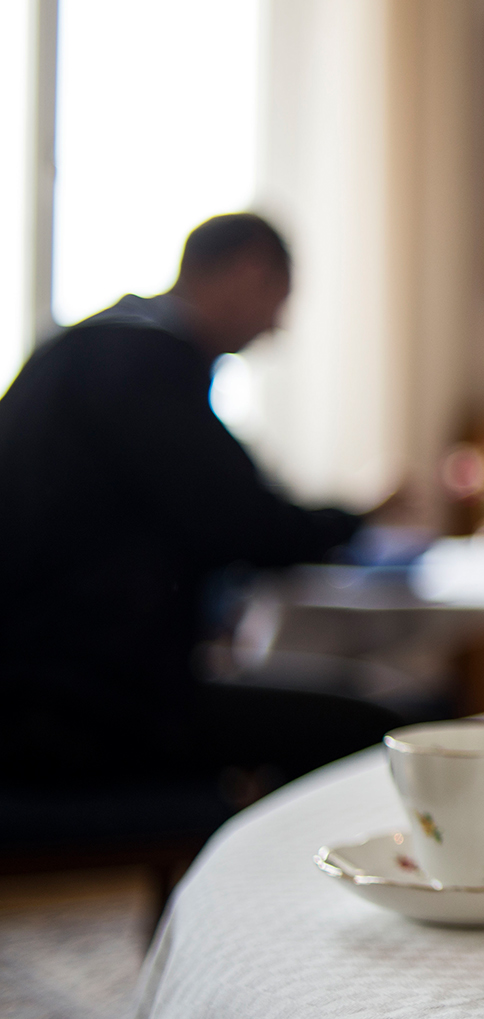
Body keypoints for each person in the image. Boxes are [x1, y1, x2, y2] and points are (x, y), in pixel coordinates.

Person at [0, 213, 400, 795]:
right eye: (277, 300)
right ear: (249, 272)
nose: (277, 327)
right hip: (74, 708)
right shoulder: (144, 363)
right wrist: (362, 515)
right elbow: (250, 527)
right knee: (383, 730)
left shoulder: (89, 346)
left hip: (47, 683)